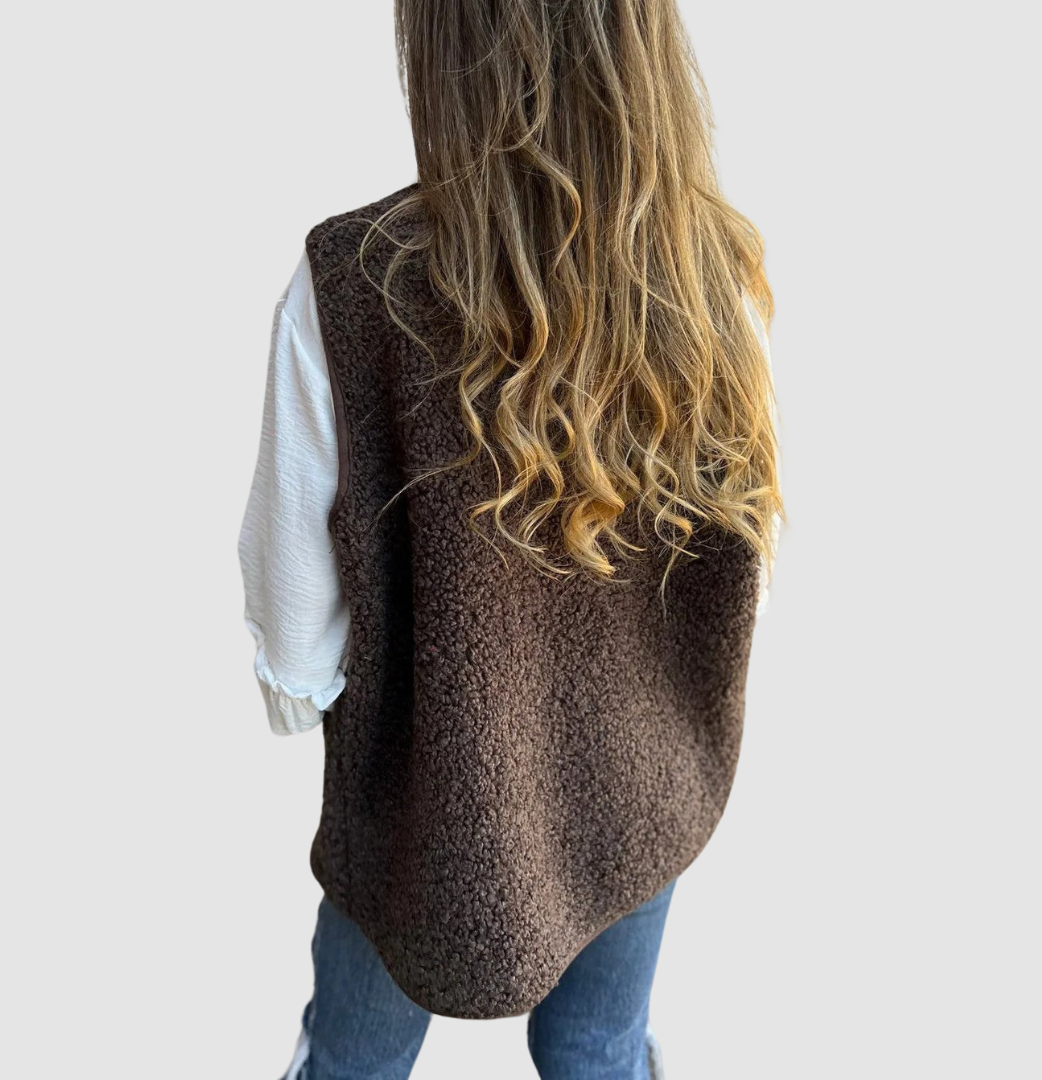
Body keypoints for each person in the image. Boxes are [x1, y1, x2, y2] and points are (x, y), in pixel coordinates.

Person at [238, 2, 785, 1077]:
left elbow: (295, 613)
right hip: (638, 786)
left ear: (444, 45)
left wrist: (301, 688)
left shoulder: (351, 284)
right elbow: (732, 539)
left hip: (426, 804)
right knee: (599, 1048)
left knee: (352, 1059)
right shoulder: (705, 263)